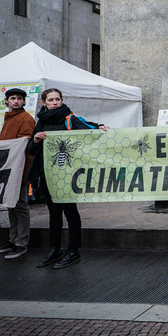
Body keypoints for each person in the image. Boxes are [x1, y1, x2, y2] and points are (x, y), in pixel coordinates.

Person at [27, 88, 109, 270]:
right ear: (44, 103)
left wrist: (100, 127)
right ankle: (54, 249)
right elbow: (31, 150)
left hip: (67, 175)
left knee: (70, 213)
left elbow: (87, 129)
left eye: (57, 99)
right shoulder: (41, 122)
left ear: (62, 100)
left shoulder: (69, 119)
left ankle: (73, 251)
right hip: (46, 175)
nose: (55, 102)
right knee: (54, 213)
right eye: (51, 100)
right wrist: (36, 140)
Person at [0, 88, 35, 260]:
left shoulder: (25, 119)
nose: (16, 101)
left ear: (24, 102)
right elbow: (5, 143)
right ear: (7, 101)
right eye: (13, 98)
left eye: (19, 98)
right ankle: (13, 239)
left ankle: (21, 243)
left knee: (21, 206)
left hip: (20, 169)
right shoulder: (8, 119)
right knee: (11, 205)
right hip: (9, 169)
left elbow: (25, 145)